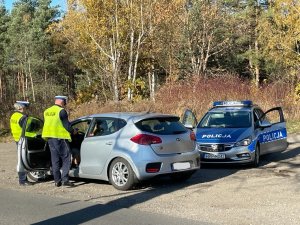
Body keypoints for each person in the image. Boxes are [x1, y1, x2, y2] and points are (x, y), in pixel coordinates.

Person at [42, 96, 76, 187]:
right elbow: (66, 126)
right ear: (62, 102)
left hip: (49, 138)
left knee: (55, 160)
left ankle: (57, 181)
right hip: (60, 138)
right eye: (65, 102)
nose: (65, 104)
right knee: (66, 158)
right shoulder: (61, 111)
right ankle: (65, 180)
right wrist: (74, 131)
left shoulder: (47, 111)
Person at [10, 101, 34, 186]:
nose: (25, 109)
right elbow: (28, 130)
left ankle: (22, 179)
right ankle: (23, 180)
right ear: (21, 108)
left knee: (21, 159)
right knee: (23, 160)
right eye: (25, 107)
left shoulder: (13, 116)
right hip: (24, 140)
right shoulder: (22, 117)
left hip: (17, 140)